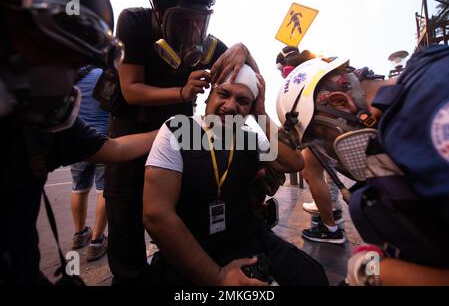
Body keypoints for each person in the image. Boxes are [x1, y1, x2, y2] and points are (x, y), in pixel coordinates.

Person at [0, 0, 159, 285]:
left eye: (74, 62)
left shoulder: (44, 125)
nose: (64, 81)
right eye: (52, 49)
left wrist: (166, 131)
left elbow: (114, 149)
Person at [104, 0, 259, 285]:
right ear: (159, 11)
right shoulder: (135, 22)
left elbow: (249, 83)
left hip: (180, 142)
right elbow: (130, 89)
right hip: (133, 134)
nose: (194, 28)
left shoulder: (212, 48)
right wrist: (182, 92)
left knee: (181, 221)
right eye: (183, 20)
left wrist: (244, 51)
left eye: (201, 19)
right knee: (126, 222)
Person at [142, 64, 329, 286]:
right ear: (209, 95)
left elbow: (294, 163)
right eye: (223, 94)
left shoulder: (247, 137)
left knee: (312, 277)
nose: (230, 106)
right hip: (192, 244)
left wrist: (261, 114)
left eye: (243, 102)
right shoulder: (179, 129)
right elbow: (157, 215)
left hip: (246, 237)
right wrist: (218, 278)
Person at [276, 46, 449, 285]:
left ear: (340, 103)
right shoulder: (405, 110)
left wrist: (377, 274)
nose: (329, 152)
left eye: (321, 138)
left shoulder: (425, 114)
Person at [275, 47, 345, 244]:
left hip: (315, 129)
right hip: (325, 127)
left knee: (311, 174)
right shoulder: (315, 69)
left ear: (287, 68)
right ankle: (332, 215)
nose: (281, 74)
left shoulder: (300, 78)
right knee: (315, 174)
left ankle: (330, 229)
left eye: (281, 70)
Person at [70, 67, 109, 262]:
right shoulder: (107, 76)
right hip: (103, 142)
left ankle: (79, 234)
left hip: (77, 140)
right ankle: (96, 242)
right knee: (104, 192)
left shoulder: (76, 76)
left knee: (79, 189)